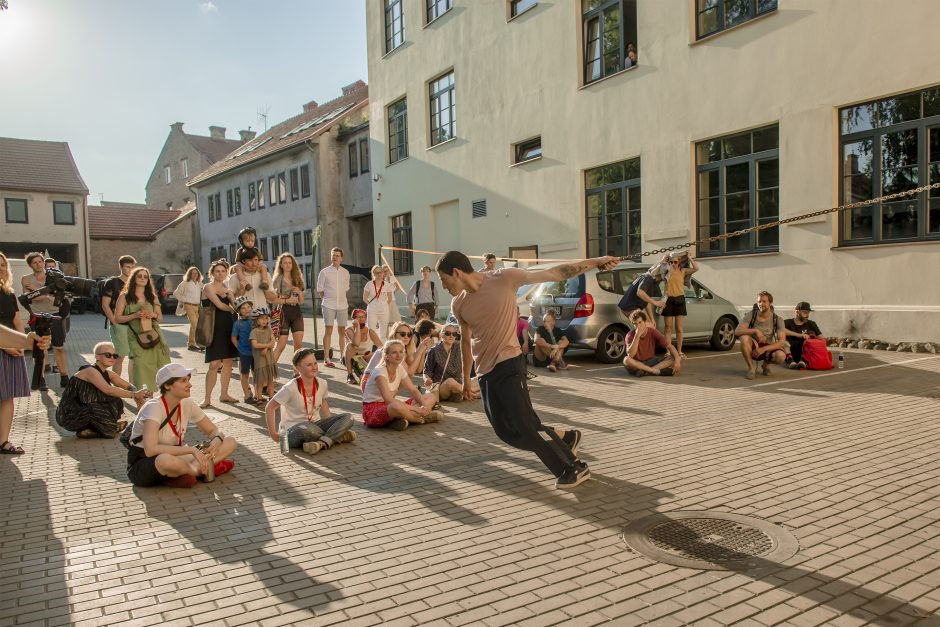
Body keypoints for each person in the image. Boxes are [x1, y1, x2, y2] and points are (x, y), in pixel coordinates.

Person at [437, 250, 618, 489]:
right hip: (485, 373)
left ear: (457, 272)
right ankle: (567, 438)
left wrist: (597, 261)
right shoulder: (458, 303)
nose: (443, 285)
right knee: (506, 432)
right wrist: (466, 379)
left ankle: (572, 466)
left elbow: (555, 273)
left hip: (510, 363)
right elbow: (467, 341)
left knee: (526, 427)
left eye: (443, 279)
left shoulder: (503, 278)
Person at [126, 363, 238, 488]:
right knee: (165, 460)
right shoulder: (153, 407)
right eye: (183, 381)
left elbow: (213, 431)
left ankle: (188, 471)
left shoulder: (186, 403)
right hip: (145, 462)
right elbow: (150, 449)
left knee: (230, 442)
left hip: (176, 455)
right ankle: (200, 470)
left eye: (188, 380)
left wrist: (217, 440)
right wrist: (191, 450)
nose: (189, 384)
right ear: (167, 385)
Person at [265, 348, 356, 454]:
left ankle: (321, 443)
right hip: (294, 430)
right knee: (306, 428)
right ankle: (336, 436)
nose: (314, 367)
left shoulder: (322, 383)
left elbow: (324, 402)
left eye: (315, 363)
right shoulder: (290, 387)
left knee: (348, 417)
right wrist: (274, 435)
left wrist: (330, 423)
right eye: (309, 365)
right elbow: (270, 407)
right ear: (298, 368)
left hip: (316, 425)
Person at [55, 342, 150, 438]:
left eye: (115, 355)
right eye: (108, 355)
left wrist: (138, 394)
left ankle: (92, 429)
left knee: (116, 401)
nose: (112, 358)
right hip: (68, 415)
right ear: (97, 357)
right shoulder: (90, 371)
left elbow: (126, 385)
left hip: (84, 410)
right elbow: (108, 390)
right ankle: (105, 428)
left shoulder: (108, 373)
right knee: (106, 425)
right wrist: (134, 395)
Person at [362, 339, 442, 431]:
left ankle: (402, 419)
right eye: (394, 352)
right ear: (386, 356)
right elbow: (388, 400)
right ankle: (420, 419)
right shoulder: (380, 372)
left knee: (431, 397)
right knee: (396, 406)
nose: (399, 355)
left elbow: (413, 390)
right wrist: (416, 409)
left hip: (390, 406)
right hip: (373, 410)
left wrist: (424, 406)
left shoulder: (399, 368)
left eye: (401, 352)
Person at [113, 267, 170, 393]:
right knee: (139, 367)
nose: (143, 278)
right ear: (133, 278)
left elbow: (160, 318)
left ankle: (156, 397)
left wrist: (153, 315)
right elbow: (117, 318)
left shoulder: (152, 296)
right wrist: (134, 315)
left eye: (146, 276)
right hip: (135, 336)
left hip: (154, 335)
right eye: (140, 276)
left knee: (159, 365)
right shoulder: (125, 297)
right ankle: (141, 399)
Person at [22, 251, 70, 389]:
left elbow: (60, 298)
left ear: (44, 262)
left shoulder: (54, 277)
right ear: (30, 265)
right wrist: (49, 294)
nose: (38, 264)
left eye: (40, 261)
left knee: (59, 348)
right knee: (41, 349)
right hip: (37, 317)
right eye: (34, 262)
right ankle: (41, 379)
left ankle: (64, 377)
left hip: (55, 315)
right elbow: (30, 297)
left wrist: (37, 291)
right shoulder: (26, 279)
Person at [0, 252, 32, 455]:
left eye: (3, 265)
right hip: (2, 348)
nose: (1, 268)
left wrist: (21, 343)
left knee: (8, 397)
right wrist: (5, 345)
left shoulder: (9, 293)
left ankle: (3, 441)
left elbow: (18, 322)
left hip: (12, 351)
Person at [201, 261, 238, 407]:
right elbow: (220, 305)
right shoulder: (208, 287)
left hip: (228, 327)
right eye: (217, 271)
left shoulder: (226, 288)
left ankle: (224, 394)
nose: (220, 273)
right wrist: (232, 309)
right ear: (212, 273)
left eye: (223, 271)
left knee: (228, 362)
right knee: (214, 364)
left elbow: (236, 306)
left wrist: (232, 297)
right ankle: (207, 398)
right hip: (213, 328)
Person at [360, 321, 435, 392]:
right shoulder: (390, 349)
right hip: (369, 384)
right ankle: (389, 399)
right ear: (394, 334)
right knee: (405, 375)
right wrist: (419, 352)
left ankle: (390, 398)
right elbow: (409, 372)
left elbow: (418, 369)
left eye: (409, 335)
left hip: (380, 383)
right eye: (402, 334)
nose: (406, 337)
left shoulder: (404, 351)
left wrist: (423, 352)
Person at [735, 291, 790, 379]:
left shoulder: (777, 319)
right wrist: (755, 330)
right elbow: (737, 331)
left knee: (781, 356)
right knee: (744, 337)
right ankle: (751, 368)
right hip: (753, 346)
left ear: (770, 303)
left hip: (767, 347)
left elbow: (781, 342)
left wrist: (763, 349)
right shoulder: (751, 315)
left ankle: (765, 365)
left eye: (764, 301)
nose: (761, 304)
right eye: (759, 301)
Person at [101, 255, 137, 377]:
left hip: (135, 324)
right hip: (119, 325)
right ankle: (115, 386)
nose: (131, 269)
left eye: (133, 267)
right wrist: (114, 322)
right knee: (119, 357)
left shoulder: (135, 283)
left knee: (135, 357)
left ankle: (134, 386)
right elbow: (105, 305)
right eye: (128, 267)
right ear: (121, 267)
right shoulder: (112, 283)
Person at [423, 323, 477, 402]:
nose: (451, 336)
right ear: (441, 335)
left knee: (480, 379)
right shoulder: (434, 351)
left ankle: (464, 394)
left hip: (459, 383)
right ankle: (472, 394)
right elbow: (426, 371)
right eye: (448, 333)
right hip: (441, 387)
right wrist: (426, 380)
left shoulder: (460, 347)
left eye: (454, 334)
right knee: (450, 382)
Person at [316, 247, 350, 367]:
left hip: (342, 305)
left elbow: (345, 289)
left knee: (342, 331)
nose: (335, 257)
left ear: (341, 258)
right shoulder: (324, 272)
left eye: (337, 255)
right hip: (328, 305)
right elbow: (320, 289)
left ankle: (342, 356)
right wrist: (325, 301)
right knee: (328, 330)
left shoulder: (345, 272)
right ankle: (326, 358)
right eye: (333, 255)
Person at [660, 253, 699, 357]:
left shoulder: (683, 271)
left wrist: (690, 258)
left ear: (679, 262)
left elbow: (696, 268)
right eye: (671, 262)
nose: (673, 264)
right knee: (668, 327)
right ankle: (668, 352)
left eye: (675, 262)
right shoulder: (667, 270)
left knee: (679, 328)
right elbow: (659, 268)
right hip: (668, 299)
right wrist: (664, 260)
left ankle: (679, 351)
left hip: (680, 299)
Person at [270, 252, 306, 364]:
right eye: (285, 263)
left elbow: (301, 301)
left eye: (290, 262)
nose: (287, 265)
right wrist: (287, 299)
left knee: (299, 345)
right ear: (281, 265)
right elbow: (272, 299)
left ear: (293, 264)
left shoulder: (297, 278)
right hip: (283, 312)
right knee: (281, 346)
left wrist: (299, 292)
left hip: (296, 312)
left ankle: (296, 372)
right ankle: (269, 372)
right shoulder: (277, 280)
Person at [623, 310, 681, 377]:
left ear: (645, 322)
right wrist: (637, 336)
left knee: (675, 357)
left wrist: (677, 361)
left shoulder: (653, 332)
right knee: (626, 360)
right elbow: (631, 355)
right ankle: (654, 371)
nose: (638, 326)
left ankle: (645, 372)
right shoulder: (630, 335)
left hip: (651, 361)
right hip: (637, 363)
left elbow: (670, 347)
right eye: (635, 324)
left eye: (640, 322)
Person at [231, 295, 258, 404]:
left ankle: (258, 394)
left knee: (256, 374)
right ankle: (247, 395)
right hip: (244, 353)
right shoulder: (238, 324)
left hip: (256, 352)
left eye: (248, 307)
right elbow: (233, 337)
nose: (247, 309)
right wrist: (239, 348)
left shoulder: (255, 321)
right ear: (239, 311)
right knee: (245, 374)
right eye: (243, 308)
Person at [228, 249, 270, 318]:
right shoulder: (234, 278)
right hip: (246, 318)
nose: (254, 263)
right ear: (244, 261)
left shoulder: (266, 275)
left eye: (256, 260)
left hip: (263, 317)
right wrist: (241, 289)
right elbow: (232, 300)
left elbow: (271, 298)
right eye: (250, 260)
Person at [344, 308, 380, 384]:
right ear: (353, 319)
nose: (361, 319)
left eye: (363, 317)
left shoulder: (370, 331)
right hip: (352, 356)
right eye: (358, 317)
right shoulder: (349, 330)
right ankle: (350, 375)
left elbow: (382, 347)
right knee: (349, 345)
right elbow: (356, 343)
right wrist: (357, 327)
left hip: (365, 356)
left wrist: (373, 354)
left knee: (376, 354)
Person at [785, 302, 826, 369]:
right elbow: (779, 330)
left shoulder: (811, 324)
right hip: (790, 351)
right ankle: (789, 360)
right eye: (805, 312)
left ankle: (803, 360)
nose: (807, 315)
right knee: (781, 337)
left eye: (808, 313)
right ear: (797, 312)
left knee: (811, 334)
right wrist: (799, 335)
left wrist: (812, 338)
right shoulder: (787, 322)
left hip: (805, 352)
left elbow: (822, 338)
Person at [233, 227, 271, 296]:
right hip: (244, 267)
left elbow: (261, 260)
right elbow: (238, 262)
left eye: (252, 241)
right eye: (247, 241)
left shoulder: (256, 250)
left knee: (264, 266)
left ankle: (264, 281)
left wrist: (257, 265)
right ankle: (245, 283)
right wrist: (244, 266)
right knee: (236, 267)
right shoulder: (240, 251)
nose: (250, 243)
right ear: (242, 241)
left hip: (256, 267)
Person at [173, 266, 204, 351]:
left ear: (198, 274)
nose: (194, 275)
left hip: (197, 306)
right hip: (188, 305)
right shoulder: (185, 283)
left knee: (193, 325)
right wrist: (185, 299)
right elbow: (176, 293)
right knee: (196, 325)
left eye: (196, 273)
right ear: (189, 274)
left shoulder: (200, 284)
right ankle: (200, 343)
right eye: (192, 273)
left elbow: (204, 294)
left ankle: (191, 344)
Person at [250, 307, 278, 400]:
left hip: (269, 360)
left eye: (266, 318)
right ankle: (259, 397)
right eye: (262, 318)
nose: (264, 320)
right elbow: (255, 345)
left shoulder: (269, 330)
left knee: (270, 380)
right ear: (256, 320)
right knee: (260, 381)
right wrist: (267, 345)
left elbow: (273, 341)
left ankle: (271, 396)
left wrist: (266, 347)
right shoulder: (254, 332)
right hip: (260, 361)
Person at [363, 265, 391, 343]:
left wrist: (383, 304)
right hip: (372, 309)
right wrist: (371, 305)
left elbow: (390, 299)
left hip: (384, 310)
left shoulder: (387, 285)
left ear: (383, 273)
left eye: (381, 272)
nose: (379, 274)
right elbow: (365, 298)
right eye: (377, 272)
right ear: (373, 274)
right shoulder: (369, 284)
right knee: (371, 330)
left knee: (384, 331)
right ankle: (370, 348)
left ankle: (383, 349)